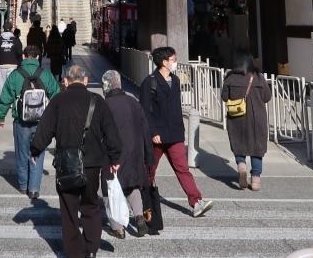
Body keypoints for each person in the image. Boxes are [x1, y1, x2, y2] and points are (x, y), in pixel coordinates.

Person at [30, 64, 122, 258]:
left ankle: (75, 253)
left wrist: (36, 150)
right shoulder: (97, 101)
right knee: (91, 205)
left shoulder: (58, 101)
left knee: (69, 208)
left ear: (65, 81)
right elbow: (111, 132)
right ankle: (91, 248)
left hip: (66, 163)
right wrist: (115, 157)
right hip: (92, 164)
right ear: (86, 80)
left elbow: (45, 129)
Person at [138, 46, 212, 217]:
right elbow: (145, 111)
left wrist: (181, 129)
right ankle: (143, 201)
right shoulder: (149, 82)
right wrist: (153, 132)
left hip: (175, 134)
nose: (175, 63)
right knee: (149, 170)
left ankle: (196, 202)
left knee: (183, 169)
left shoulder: (176, 80)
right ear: (164, 62)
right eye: (173, 60)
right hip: (157, 136)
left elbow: (176, 108)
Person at [0, 44, 60, 200]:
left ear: (23, 56)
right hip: (41, 122)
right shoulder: (46, 74)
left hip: (21, 121)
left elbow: (6, 97)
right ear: (38, 57)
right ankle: (34, 189)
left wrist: (1, 117)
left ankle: (23, 185)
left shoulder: (15, 75)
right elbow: (57, 96)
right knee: (38, 153)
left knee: (22, 153)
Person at [101, 69, 154, 237]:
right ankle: (138, 216)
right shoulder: (133, 102)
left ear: (106, 86)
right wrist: (149, 156)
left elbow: (99, 133)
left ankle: (117, 228)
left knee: (109, 189)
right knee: (132, 186)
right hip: (135, 152)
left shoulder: (104, 105)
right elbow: (145, 129)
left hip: (113, 154)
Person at [220, 48, 273, 191]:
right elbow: (267, 97)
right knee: (257, 148)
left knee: (239, 143)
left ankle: (241, 166)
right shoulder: (258, 77)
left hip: (237, 118)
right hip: (257, 119)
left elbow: (224, 97)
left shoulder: (230, 78)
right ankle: (255, 180)